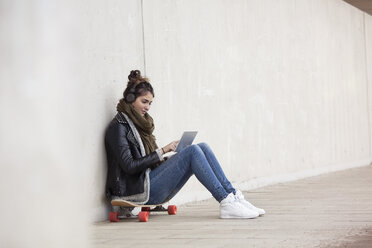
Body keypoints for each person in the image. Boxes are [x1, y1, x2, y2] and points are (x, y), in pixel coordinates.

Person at [104, 70, 265, 219]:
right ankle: (226, 202)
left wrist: (167, 159)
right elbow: (130, 166)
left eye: (150, 103)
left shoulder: (139, 125)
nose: (147, 107)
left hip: (147, 182)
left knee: (202, 147)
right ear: (131, 99)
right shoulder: (119, 126)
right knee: (192, 151)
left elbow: (146, 162)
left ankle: (232, 196)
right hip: (137, 191)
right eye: (144, 102)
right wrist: (163, 151)